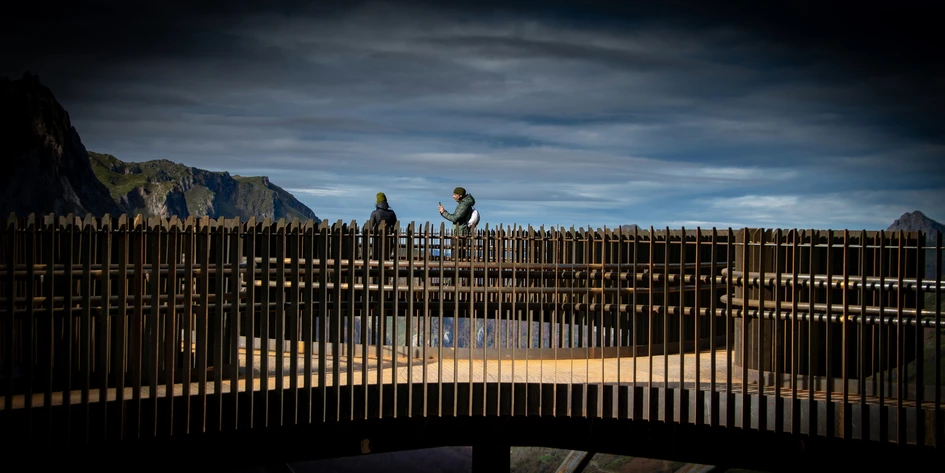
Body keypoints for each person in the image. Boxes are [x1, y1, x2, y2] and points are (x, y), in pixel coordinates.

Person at [371, 192, 398, 259]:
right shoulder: (392, 213)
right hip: (389, 240)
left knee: (376, 259)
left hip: (377, 240)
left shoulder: (374, 213)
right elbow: (395, 226)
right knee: (387, 258)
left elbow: (371, 228)